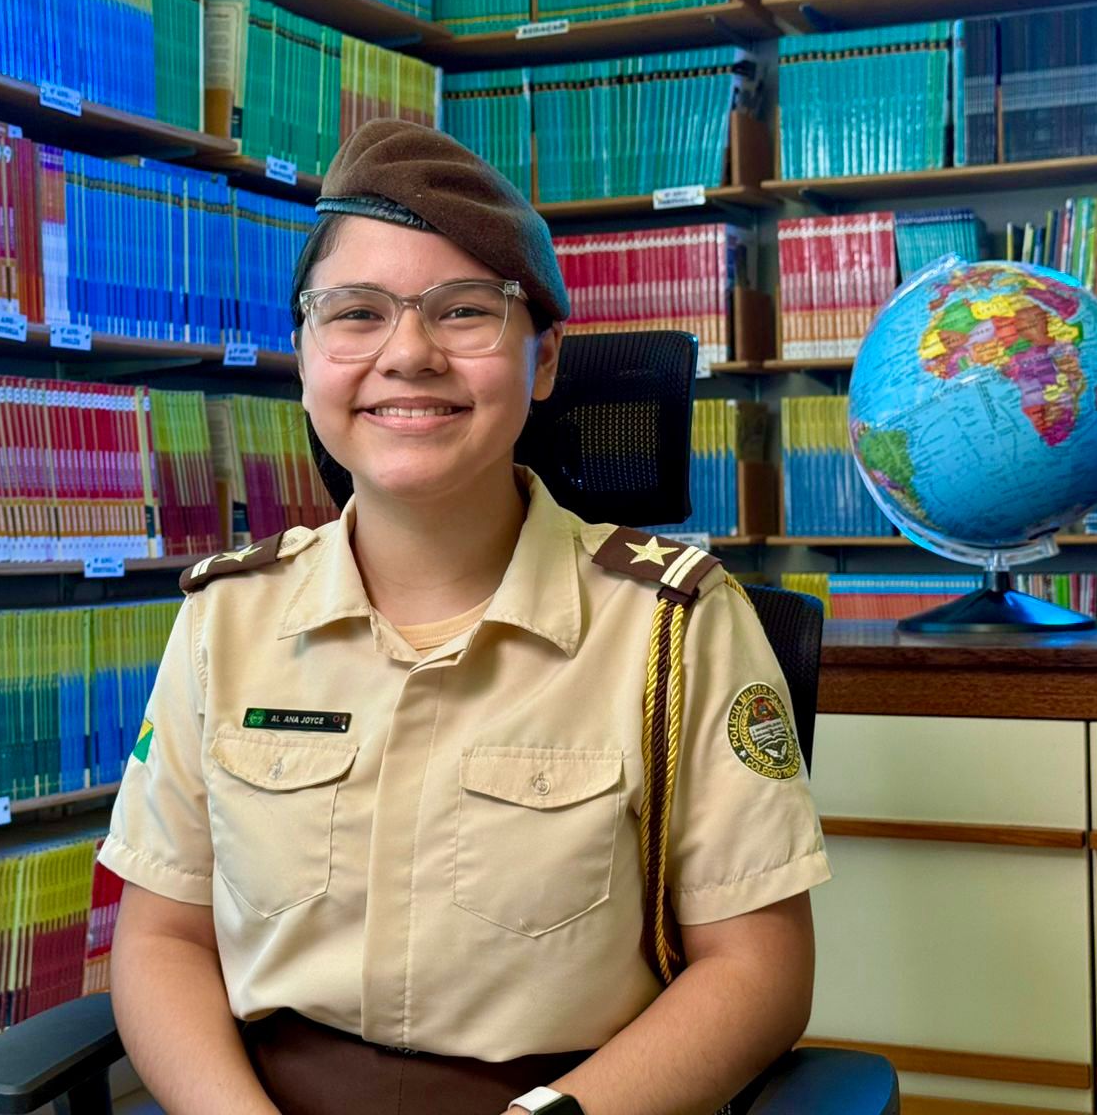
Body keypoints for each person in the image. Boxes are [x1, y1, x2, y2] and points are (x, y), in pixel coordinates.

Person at [98, 119, 830, 1115]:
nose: (408, 354)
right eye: (356, 313)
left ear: (543, 360)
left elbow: (759, 970)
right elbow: (162, 937)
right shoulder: (226, 619)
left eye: (465, 313)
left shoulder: (676, 628)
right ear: (305, 356)